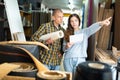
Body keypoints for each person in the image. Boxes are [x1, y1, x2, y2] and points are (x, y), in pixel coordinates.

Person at [63, 14, 111, 78]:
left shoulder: (85, 32)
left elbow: (92, 28)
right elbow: (63, 49)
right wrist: (67, 46)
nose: (74, 23)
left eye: (75, 20)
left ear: (79, 22)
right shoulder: (67, 33)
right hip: (68, 59)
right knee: (69, 78)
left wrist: (102, 23)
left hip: (80, 59)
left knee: (78, 78)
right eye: (71, 21)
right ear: (69, 23)